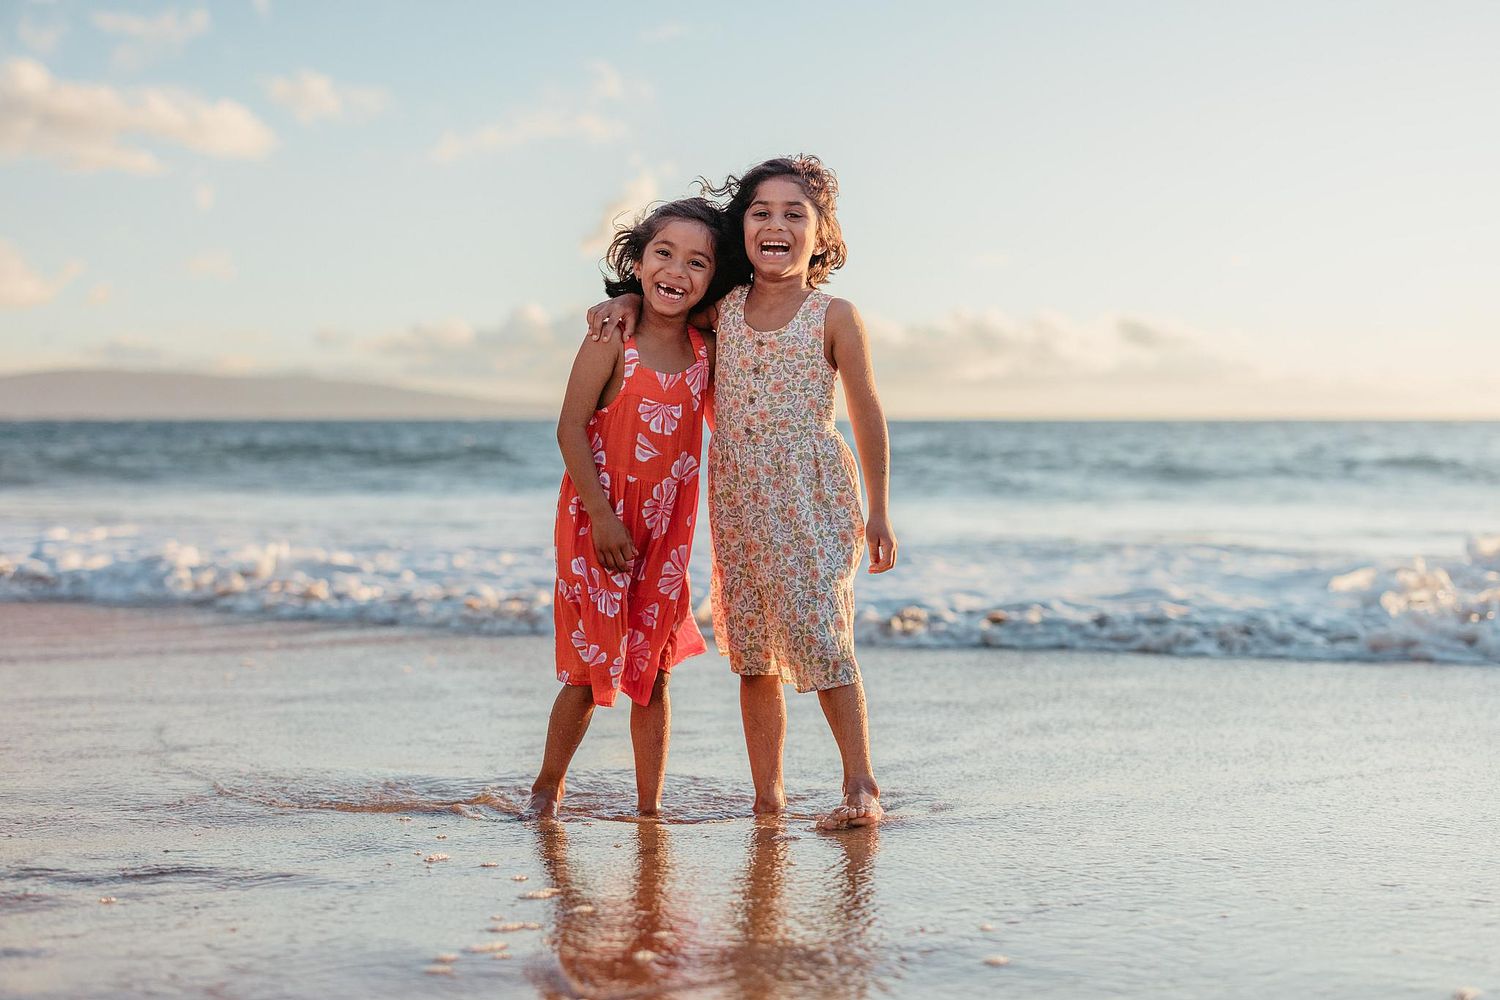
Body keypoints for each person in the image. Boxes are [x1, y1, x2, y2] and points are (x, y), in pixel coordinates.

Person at [586, 157, 897, 830]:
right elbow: (664, 307)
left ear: (821, 236)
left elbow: (867, 410)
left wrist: (879, 511)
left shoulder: (834, 314)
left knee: (821, 634)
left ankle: (861, 783)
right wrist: (627, 300)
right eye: (761, 211)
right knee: (753, 653)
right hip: (739, 502)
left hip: (812, 498)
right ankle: (768, 800)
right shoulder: (720, 312)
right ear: (742, 228)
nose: (776, 224)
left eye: (795, 214)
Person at [527, 198, 729, 819]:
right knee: (590, 671)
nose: (677, 270)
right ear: (638, 262)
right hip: (598, 521)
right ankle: (546, 790)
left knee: (655, 669)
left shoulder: (707, 349)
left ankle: (649, 809)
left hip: (666, 533)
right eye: (663, 254)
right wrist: (606, 518)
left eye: (697, 262)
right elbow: (569, 429)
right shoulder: (613, 337)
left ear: (713, 278)